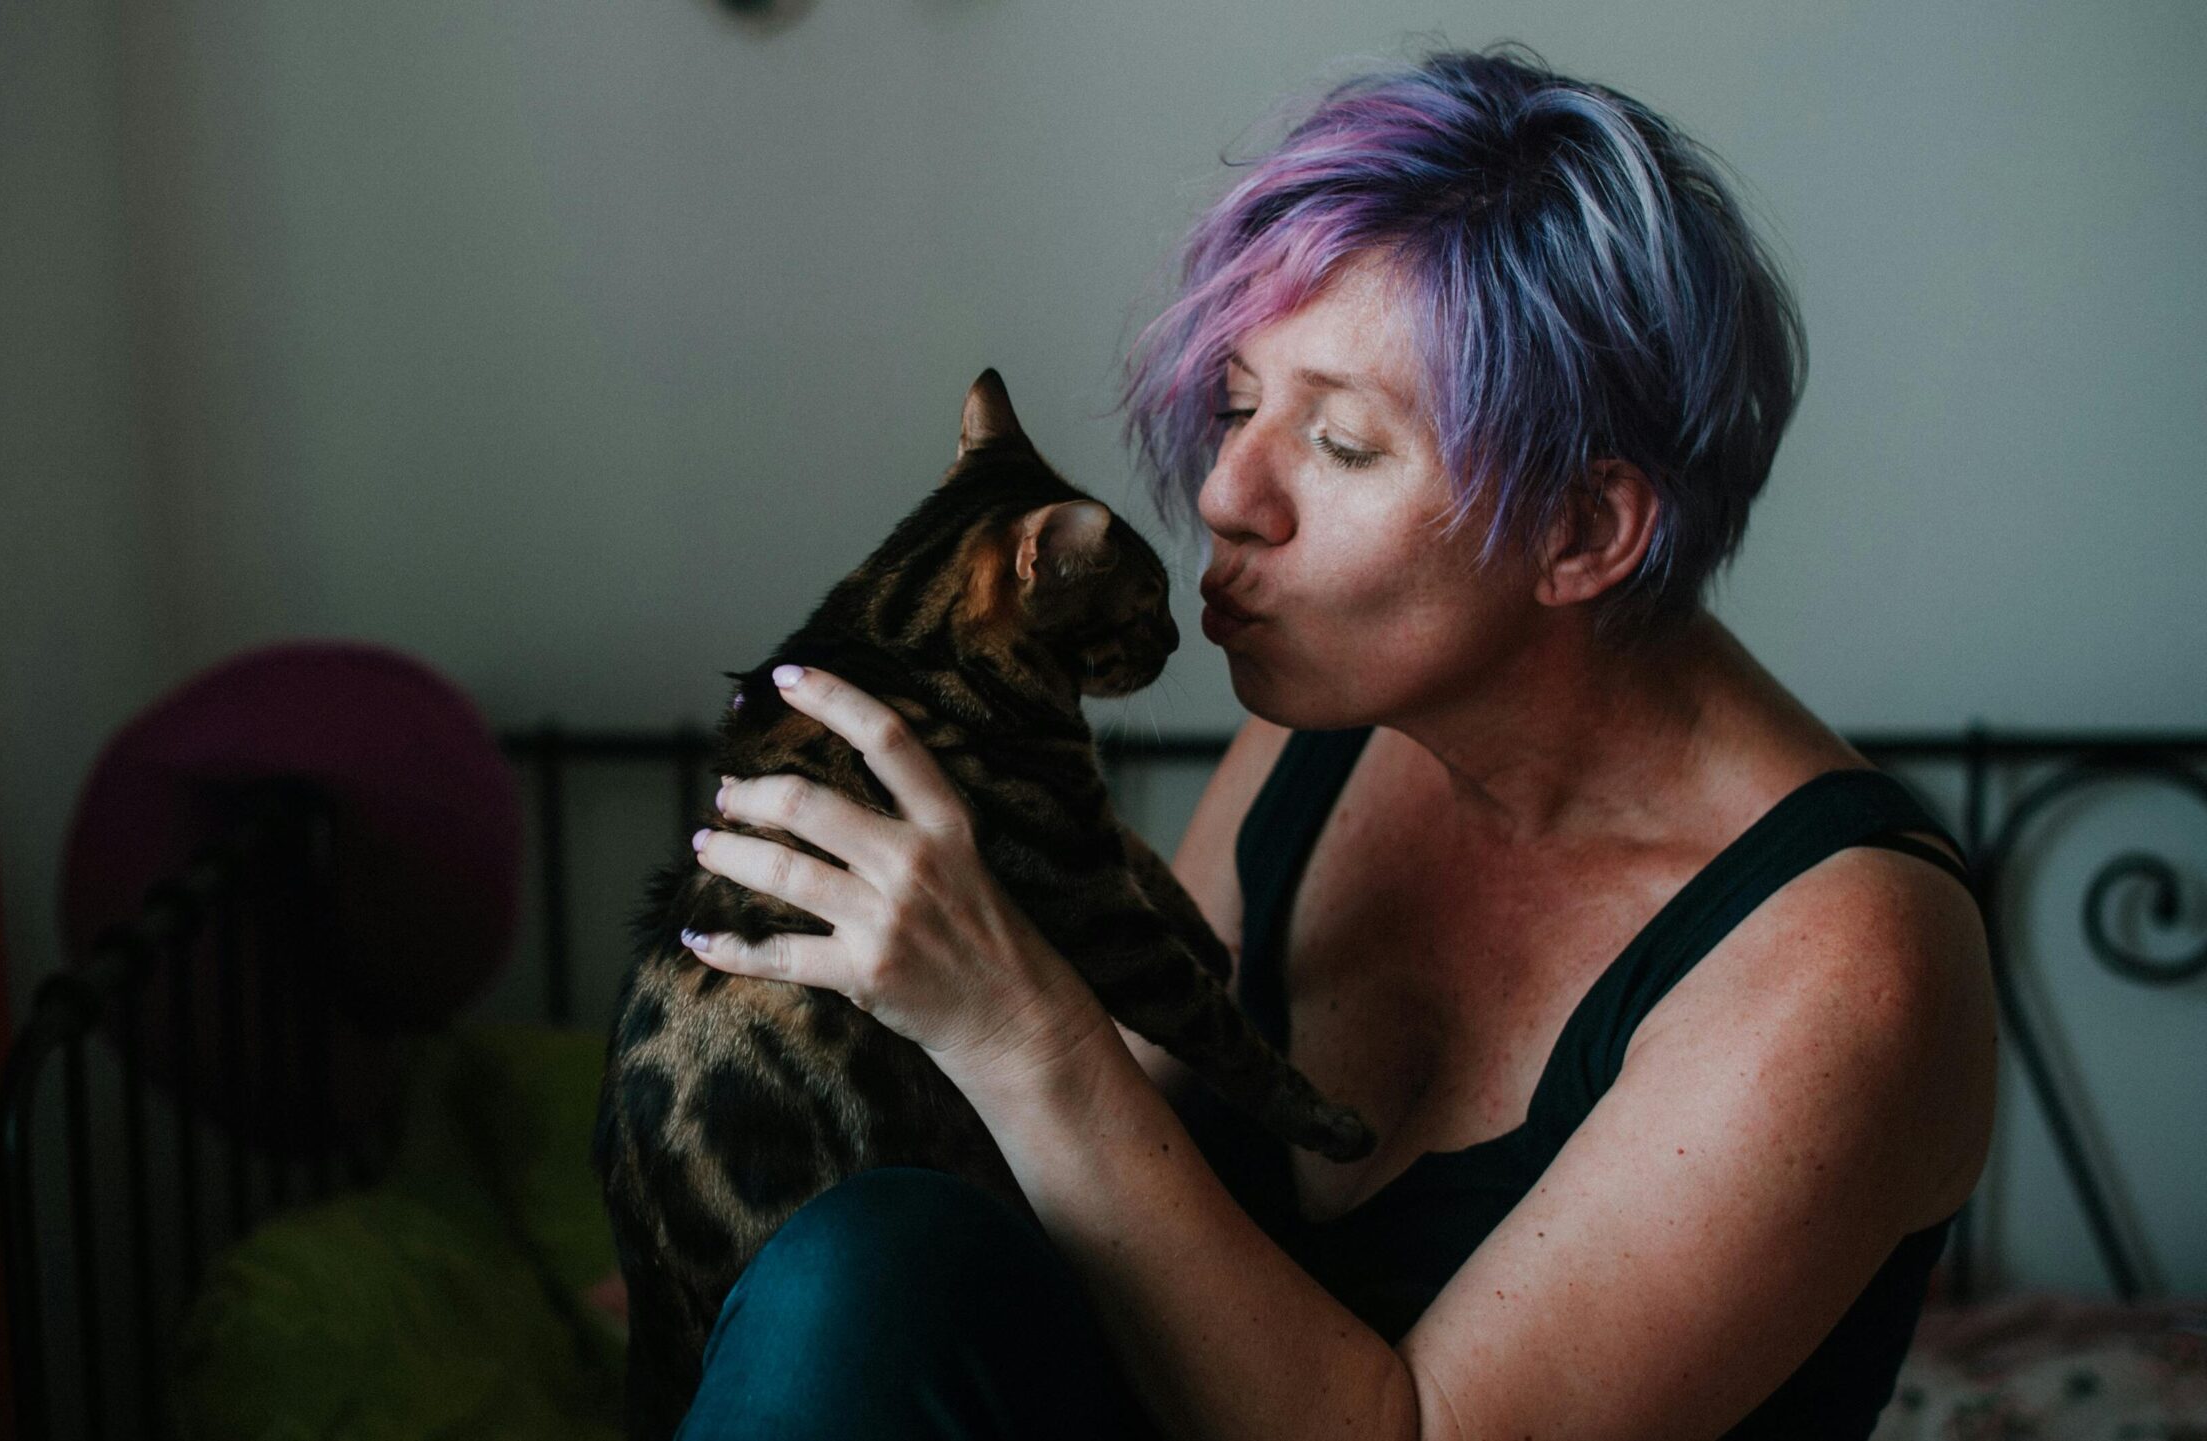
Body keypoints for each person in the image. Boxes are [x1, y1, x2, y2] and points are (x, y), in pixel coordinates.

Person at [672, 42, 1996, 1441]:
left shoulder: (1849, 960)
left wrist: (1019, 1021)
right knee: (868, 1260)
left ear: (1587, 530)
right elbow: (1103, 1166)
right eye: (1241, 402)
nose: (1225, 492)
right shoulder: (1331, 746)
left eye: (1344, 446)